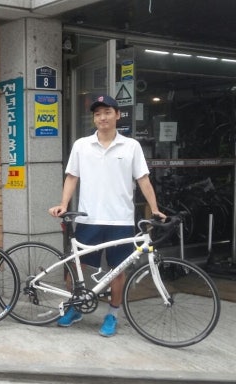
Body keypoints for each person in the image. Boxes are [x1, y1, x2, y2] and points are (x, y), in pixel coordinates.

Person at [48, 94, 165, 337]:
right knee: (76, 267)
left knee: (117, 270)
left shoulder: (131, 146)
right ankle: (75, 307)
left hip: (120, 220)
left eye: (107, 112)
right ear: (94, 118)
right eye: (98, 113)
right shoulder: (81, 145)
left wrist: (154, 209)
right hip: (88, 218)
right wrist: (63, 203)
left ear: (117, 115)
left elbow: (143, 179)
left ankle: (112, 314)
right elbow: (72, 177)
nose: (102, 117)